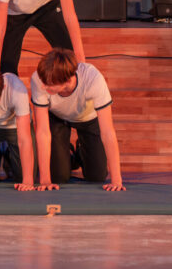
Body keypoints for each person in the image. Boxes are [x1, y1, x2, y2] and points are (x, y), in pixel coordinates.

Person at [31, 48, 125, 191]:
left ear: (68, 80)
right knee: (59, 177)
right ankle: (66, 154)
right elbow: (43, 131)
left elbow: (107, 132)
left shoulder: (93, 79)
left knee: (97, 177)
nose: (43, 86)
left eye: (49, 84)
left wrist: (116, 180)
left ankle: (82, 152)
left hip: (87, 118)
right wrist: (45, 180)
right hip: (57, 118)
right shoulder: (39, 78)